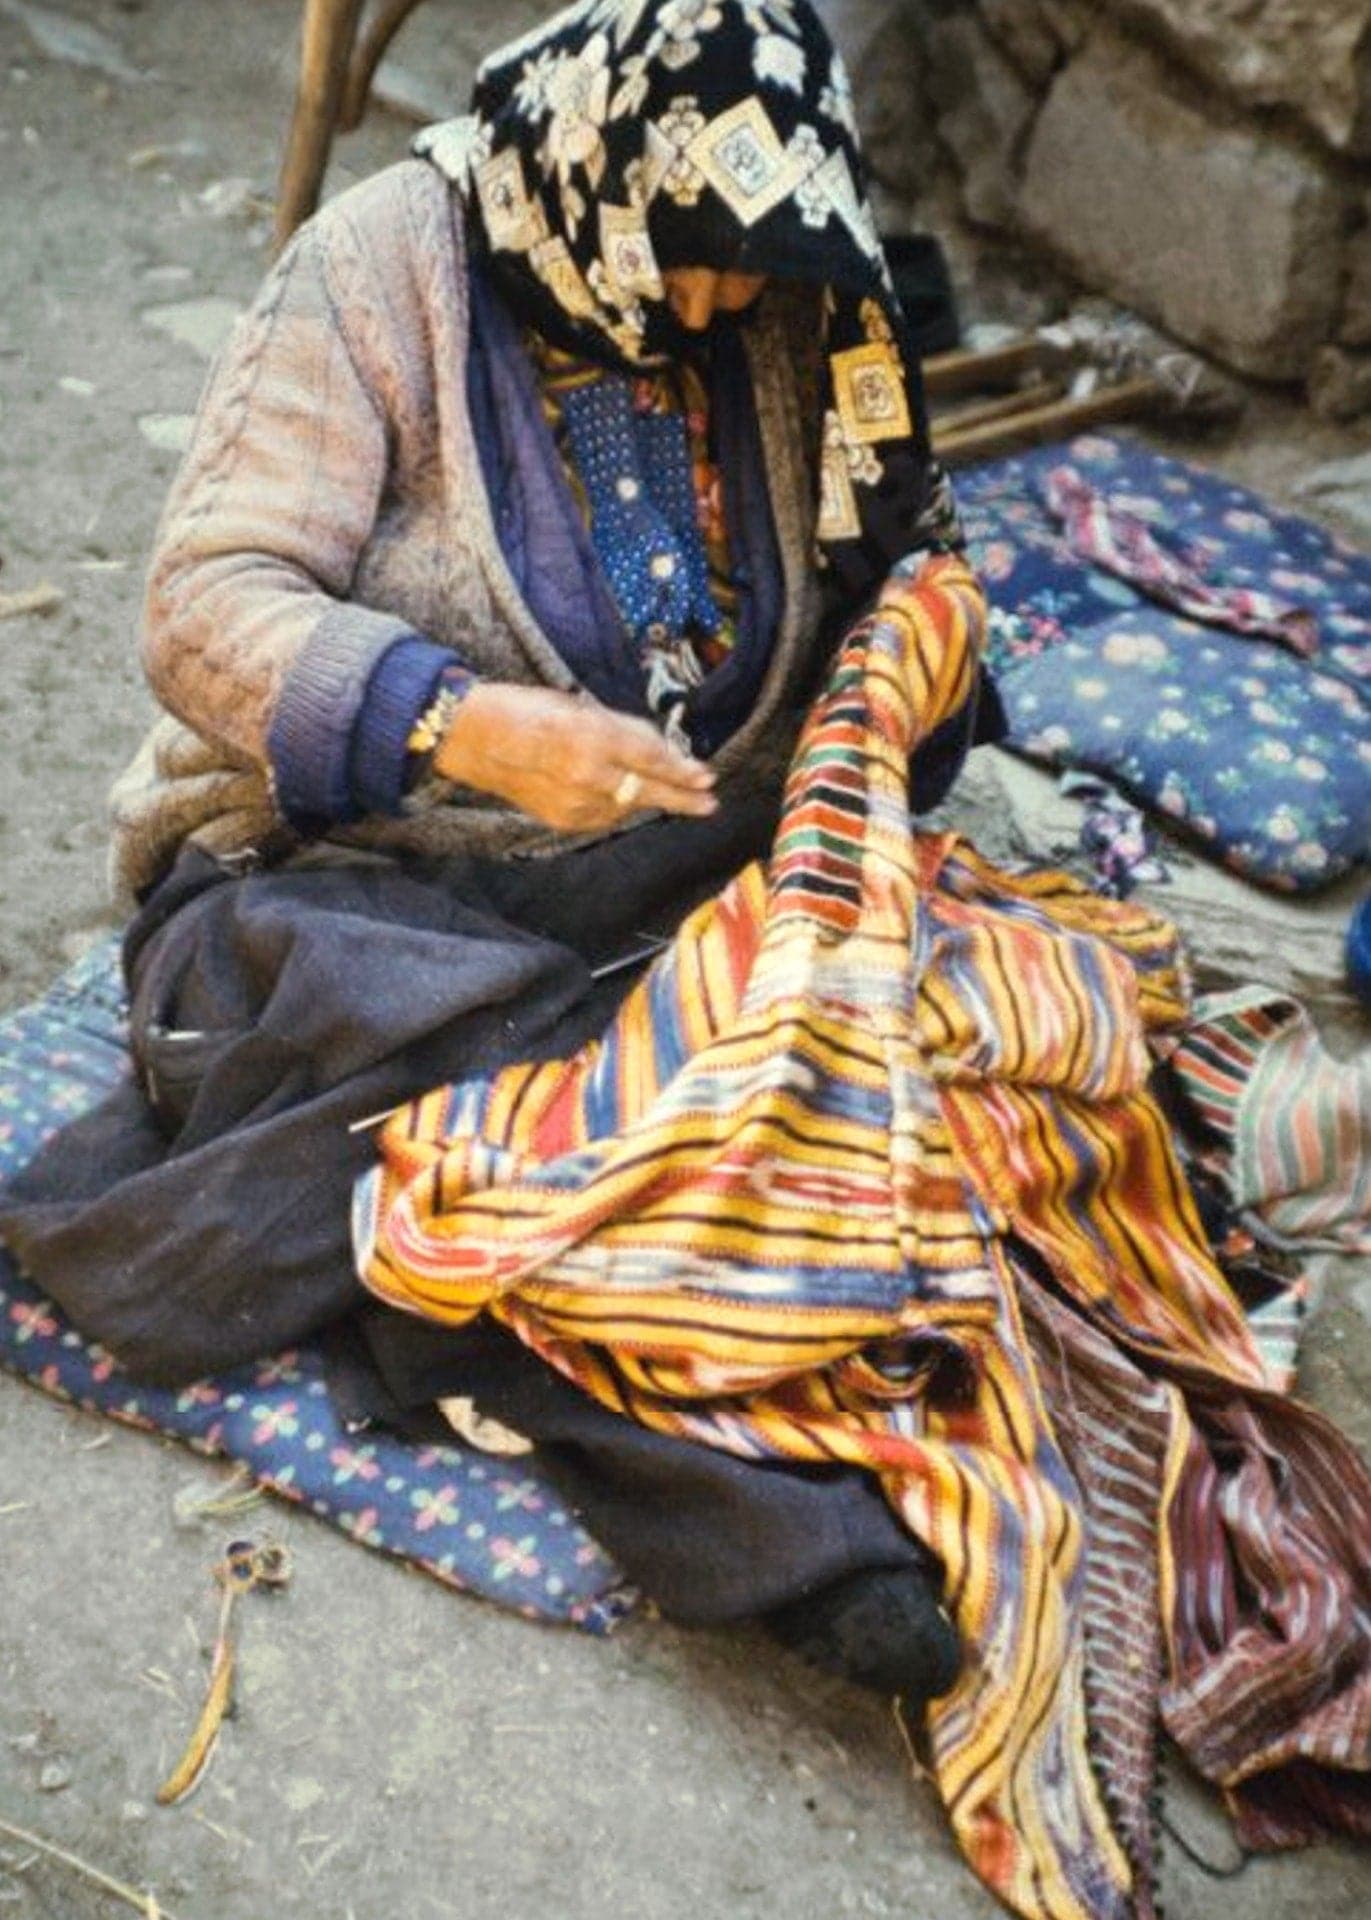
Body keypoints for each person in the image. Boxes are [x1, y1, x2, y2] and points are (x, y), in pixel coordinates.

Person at [1, 0, 998, 1704]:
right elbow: (201, 606)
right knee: (475, 1080)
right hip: (353, 866)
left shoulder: (792, 292)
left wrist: (909, 664)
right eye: (688, 261)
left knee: (917, 1031)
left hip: (670, 867)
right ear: (598, 169)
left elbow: (902, 564)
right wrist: (465, 726)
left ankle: (504, 1251)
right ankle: (767, 1518)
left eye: (749, 266)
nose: (716, 305)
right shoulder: (388, 262)